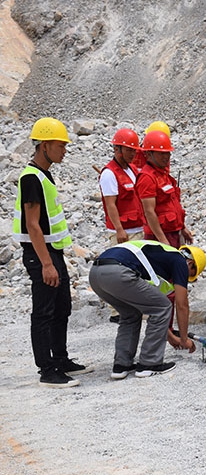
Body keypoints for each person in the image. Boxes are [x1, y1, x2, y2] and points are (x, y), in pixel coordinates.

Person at [13, 117, 92, 388]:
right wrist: (46, 264)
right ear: (44, 145)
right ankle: (47, 370)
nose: (65, 150)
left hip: (52, 252)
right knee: (44, 311)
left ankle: (60, 358)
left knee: (62, 307)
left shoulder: (44, 175)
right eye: (60, 145)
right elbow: (33, 225)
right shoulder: (31, 178)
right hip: (40, 255)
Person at [89, 240, 205, 379]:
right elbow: (181, 305)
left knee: (130, 314)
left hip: (95, 274)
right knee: (163, 306)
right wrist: (184, 339)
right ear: (190, 263)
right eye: (190, 274)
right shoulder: (180, 261)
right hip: (118, 271)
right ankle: (149, 364)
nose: (185, 278)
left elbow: (154, 310)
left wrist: (170, 336)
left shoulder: (159, 257)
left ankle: (121, 366)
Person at [99, 128, 146, 323]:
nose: (133, 154)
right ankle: (116, 311)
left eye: (134, 151)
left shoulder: (132, 170)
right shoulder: (110, 174)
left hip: (137, 227)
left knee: (135, 270)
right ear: (117, 149)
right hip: (123, 231)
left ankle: (132, 305)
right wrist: (119, 229)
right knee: (119, 270)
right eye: (129, 150)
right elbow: (111, 204)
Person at [135, 130, 193, 248]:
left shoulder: (163, 174)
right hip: (159, 236)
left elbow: (172, 203)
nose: (166, 156)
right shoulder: (147, 177)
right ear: (149, 154)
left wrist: (182, 227)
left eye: (168, 153)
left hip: (173, 232)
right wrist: (163, 240)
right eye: (161, 153)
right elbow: (149, 212)